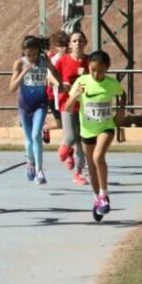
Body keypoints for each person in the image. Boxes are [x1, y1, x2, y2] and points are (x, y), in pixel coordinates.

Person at [67, 50, 127, 221]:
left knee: (98, 156)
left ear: (107, 69)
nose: (96, 74)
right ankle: (97, 200)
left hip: (106, 127)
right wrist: (76, 96)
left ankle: (104, 194)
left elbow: (122, 95)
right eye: (93, 70)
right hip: (87, 130)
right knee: (91, 165)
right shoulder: (82, 82)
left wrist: (121, 113)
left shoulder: (111, 83)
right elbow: (67, 108)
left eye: (100, 71)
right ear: (88, 67)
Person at [9, 35, 62, 185]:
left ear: (39, 51)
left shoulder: (44, 61)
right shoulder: (20, 63)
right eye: (28, 54)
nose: (31, 57)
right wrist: (24, 72)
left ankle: (39, 170)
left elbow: (55, 72)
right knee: (28, 138)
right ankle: (30, 163)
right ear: (23, 52)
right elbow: (12, 88)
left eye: (34, 54)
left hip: (41, 104)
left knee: (36, 135)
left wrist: (60, 84)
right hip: (25, 106)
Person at [55, 30, 90, 186]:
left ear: (85, 43)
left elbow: (97, 80)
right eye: (74, 40)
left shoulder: (90, 61)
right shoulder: (63, 61)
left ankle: (79, 173)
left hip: (85, 106)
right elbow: (51, 78)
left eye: (80, 40)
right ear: (69, 44)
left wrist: (85, 79)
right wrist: (62, 85)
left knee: (82, 141)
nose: (78, 43)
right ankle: (65, 151)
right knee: (70, 137)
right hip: (67, 104)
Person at [45, 30, 70, 140]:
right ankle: (45, 128)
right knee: (62, 124)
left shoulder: (71, 58)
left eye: (66, 45)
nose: (64, 48)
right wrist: (60, 84)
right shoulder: (54, 60)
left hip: (71, 95)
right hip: (55, 96)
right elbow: (49, 78)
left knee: (67, 125)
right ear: (55, 47)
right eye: (61, 46)